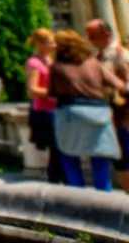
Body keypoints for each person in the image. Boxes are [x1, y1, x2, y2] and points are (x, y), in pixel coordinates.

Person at [50, 29, 124, 192]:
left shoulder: (58, 67)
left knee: (69, 156)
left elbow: (52, 92)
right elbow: (118, 84)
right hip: (100, 113)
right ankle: (105, 197)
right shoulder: (94, 63)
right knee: (99, 159)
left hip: (71, 114)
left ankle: (78, 199)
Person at [87, 20, 129, 192]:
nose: (89, 40)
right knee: (121, 161)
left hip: (124, 116)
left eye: (92, 36)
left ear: (106, 35)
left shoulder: (121, 55)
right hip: (110, 117)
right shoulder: (99, 57)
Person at [26, 28, 65, 184]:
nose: (54, 45)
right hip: (45, 111)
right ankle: (55, 181)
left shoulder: (50, 60)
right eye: (51, 42)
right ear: (40, 44)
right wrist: (53, 92)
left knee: (60, 150)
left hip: (56, 108)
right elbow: (32, 90)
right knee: (57, 150)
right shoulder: (34, 63)